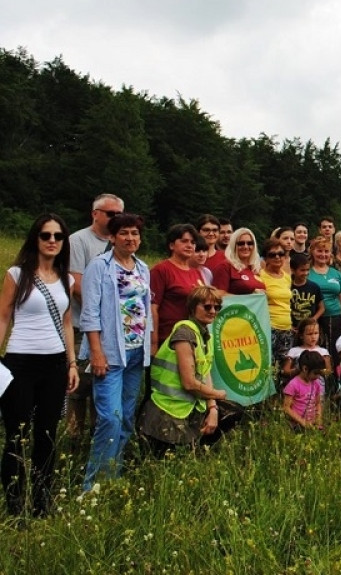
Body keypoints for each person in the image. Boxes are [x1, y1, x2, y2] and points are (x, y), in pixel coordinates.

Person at [0, 214, 79, 516]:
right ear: (35, 238)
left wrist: (71, 363)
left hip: (55, 363)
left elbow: (67, 321)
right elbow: (3, 316)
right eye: (45, 235)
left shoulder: (66, 278)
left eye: (58, 236)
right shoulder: (17, 275)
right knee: (17, 433)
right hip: (20, 361)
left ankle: (42, 499)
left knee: (47, 434)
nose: (52, 241)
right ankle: (14, 500)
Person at [79, 213, 152, 491]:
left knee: (126, 417)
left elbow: (145, 310)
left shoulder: (142, 267)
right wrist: (96, 353)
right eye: (124, 233)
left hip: (135, 354)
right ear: (112, 237)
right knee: (110, 417)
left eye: (134, 233)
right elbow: (90, 314)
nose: (130, 238)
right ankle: (92, 486)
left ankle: (113, 475)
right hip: (110, 354)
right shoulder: (99, 266)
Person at [138, 287, 236, 453]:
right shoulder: (185, 333)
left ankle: (199, 446)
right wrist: (218, 395)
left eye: (217, 307)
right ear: (192, 308)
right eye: (207, 307)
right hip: (166, 410)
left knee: (233, 412)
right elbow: (189, 383)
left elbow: (205, 372)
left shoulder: (205, 335)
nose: (213, 311)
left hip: (189, 406)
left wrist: (213, 408)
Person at [67, 193, 124, 444]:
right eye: (111, 214)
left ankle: (96, 436)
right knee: (79, 388)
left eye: (119, 214)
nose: (115, 218)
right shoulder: (78, 241)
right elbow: (76, 286)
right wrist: (104, 314)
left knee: (101, 385)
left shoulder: (120, 243)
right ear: (95, 214)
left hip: (113, 331)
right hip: (82, 327)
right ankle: (73, 438)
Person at [150, 224, 205, 350]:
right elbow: (152, 308)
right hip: (168, 339)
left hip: (192, 338)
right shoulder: (161, 270)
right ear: (171, 245)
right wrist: (153, 343)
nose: (189, 245)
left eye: (192, 242)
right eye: (184, 241)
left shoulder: (196, 272)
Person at [307, 237, 341, 356]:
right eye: (319, 251)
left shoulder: (336, 273)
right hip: (315, 318)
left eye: (326, 251)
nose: (323, 254)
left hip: (335, 318)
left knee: (335, 352)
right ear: (312, 251)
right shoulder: (307, 272)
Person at [260, 238, 294, 374]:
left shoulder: (286, 277)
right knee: (269, 366)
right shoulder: (260, 276)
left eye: (281, 254)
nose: (277, 257)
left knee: (284, 368)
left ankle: (281, 395)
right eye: (272, 254)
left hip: (286, 328)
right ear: (265, 258)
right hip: (270, 327)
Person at [211, 228, 265, 295]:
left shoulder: (255, 268)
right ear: (233, 245)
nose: (246, 246)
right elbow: (217, 294)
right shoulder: (225, 266)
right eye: (241, 243)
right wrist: (249, 297)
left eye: (250, 243)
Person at [283, 350, 326, 431]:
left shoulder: (316, 383)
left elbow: (318, 403)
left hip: (311, 424)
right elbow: (286, 408)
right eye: (315, 373)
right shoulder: (293, 384)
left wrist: (318, 419)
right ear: (305, 368)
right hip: (297, 425)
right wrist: (302, 422)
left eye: (319, 373)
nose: (318, 376)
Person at [290, 253, 325, 327]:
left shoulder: (314, 287)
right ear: (293, 270)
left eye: (307, 270)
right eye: (302, 270)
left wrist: (313, 319)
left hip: (310, 327)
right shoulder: (288, 287)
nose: (306, 273)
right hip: (292, 327)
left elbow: (322, 308)